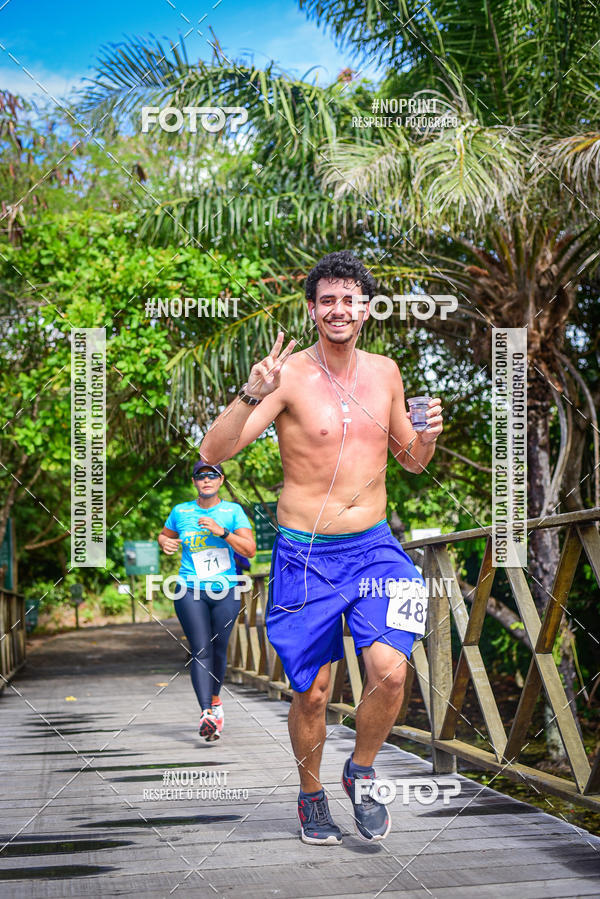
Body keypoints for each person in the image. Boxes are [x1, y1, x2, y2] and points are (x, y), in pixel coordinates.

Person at [199, 250, 443, 841]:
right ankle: (311, 796)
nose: (339, 309)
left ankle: (360, 772)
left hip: (376, 548)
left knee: (390, 673)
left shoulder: (385, 372)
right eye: (327, 299)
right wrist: (252, 393)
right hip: (305, 554)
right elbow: (214, 453)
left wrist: (428, 435)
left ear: (365, 309)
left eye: (349, 299)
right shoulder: (288, 379)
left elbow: (410, 462)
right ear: (313, 310)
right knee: (312, 692)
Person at [158, 461, 256, 741]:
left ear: (221, 480)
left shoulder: (232, 512)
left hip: (225, 590)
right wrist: (163, 542)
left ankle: (214, 699)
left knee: (219, 649)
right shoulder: (181, 511)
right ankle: (206, 713)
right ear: (194, 482)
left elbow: (250, 549)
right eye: (201, 477)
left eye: (212, 476)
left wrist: (222, 532)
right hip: (189, 589)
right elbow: (165, 535)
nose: (206, 480)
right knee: (200, 649)